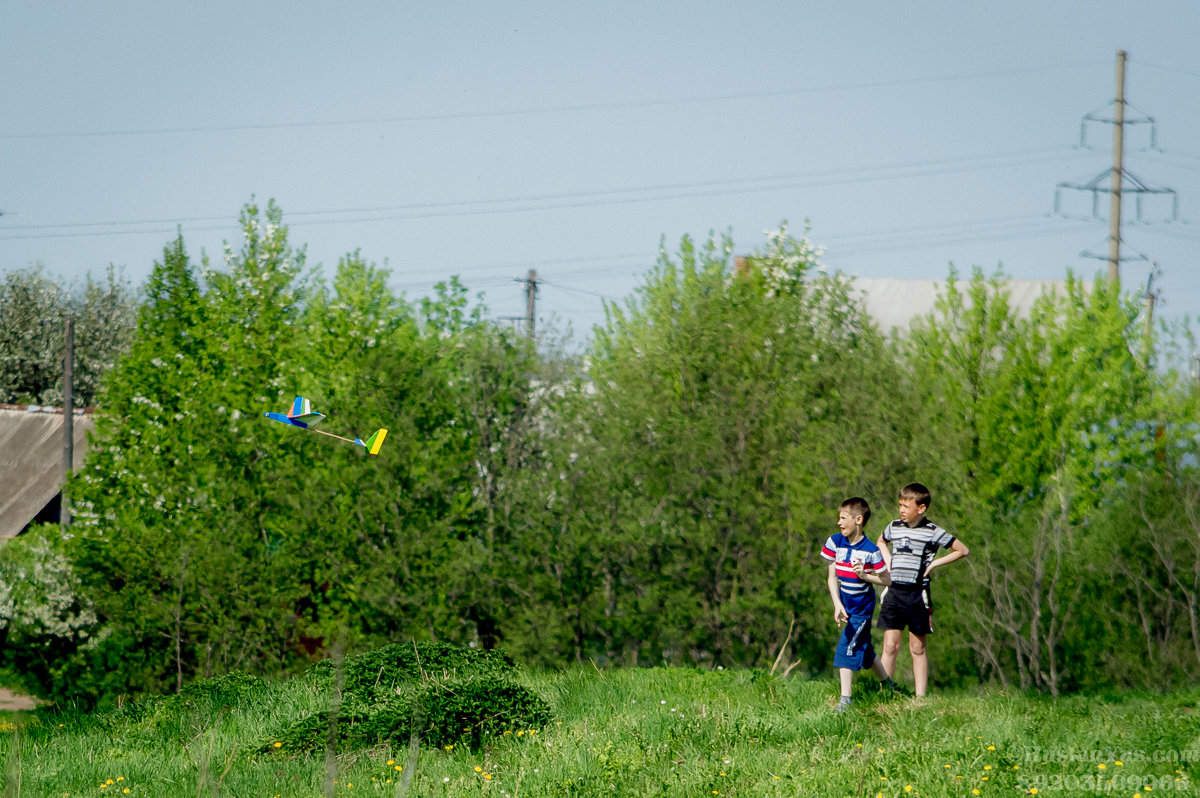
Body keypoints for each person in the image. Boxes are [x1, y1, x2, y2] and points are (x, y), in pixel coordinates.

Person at [876, 482, 969, 697]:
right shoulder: (894, 526)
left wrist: (935, 563)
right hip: (894, 592)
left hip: (917, 594)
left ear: (921, 508)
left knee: (917, 647)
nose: (901, 510)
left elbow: (962, 550)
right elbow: (881, 541)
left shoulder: (932, 531)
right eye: (900, 505)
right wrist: (888, 561)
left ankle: (920, 699)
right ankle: (884, 693)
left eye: (906, 506)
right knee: (890, 646)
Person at [821, 496, 896, 713]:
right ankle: (888, 685)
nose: (839, 522)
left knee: (847, 647)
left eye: (843, 518)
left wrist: (864, 576)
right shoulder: (835, 542)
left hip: (862, 609)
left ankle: (845, 701)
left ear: (858, 519)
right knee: (864, 649)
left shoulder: (871, 550)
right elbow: (832, 577)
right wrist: (837, 604)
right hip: (845, 604)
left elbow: (886, 580)